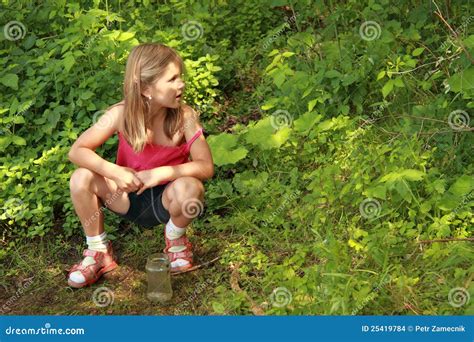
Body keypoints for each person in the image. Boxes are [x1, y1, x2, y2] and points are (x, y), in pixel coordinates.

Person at [66, 43, 214, 288]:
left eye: (181, 77)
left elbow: (206, 167)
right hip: (126, 197)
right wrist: (113, 171)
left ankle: (175, 240)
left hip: (169, 199)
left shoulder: (185, 117)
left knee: (191, 187)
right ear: (146, 88)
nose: (181, 84)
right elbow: (77, 151)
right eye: (173, 79)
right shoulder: (120, 114)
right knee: (81, 177)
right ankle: (98, 251)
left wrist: (160, 174)